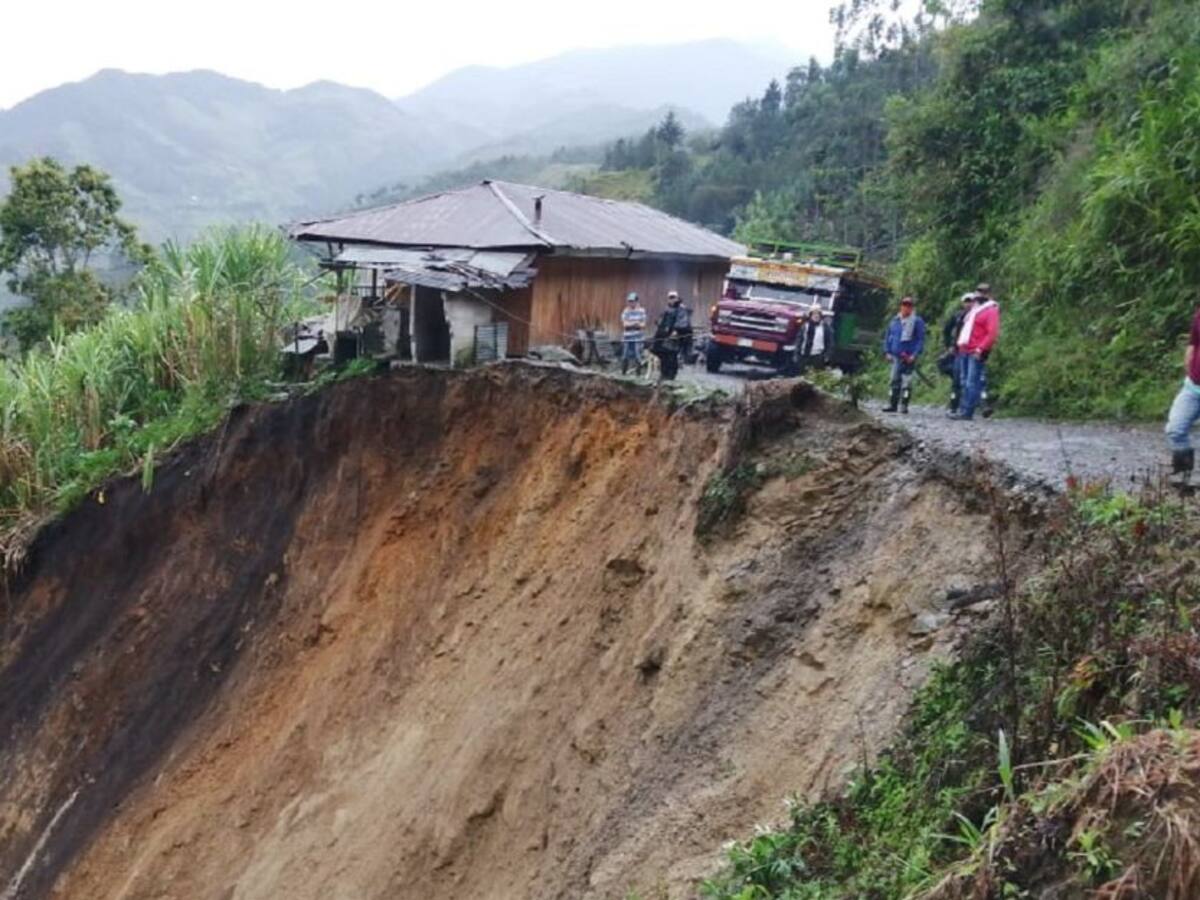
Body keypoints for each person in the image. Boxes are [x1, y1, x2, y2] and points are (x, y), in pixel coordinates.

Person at [950, 283, 1000, 421]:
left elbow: (992, 333)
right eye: (979, 292)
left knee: (972, 381)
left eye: (984, 292)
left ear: (989, 294)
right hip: (964, 349)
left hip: (976, 350)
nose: (981, 295)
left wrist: (981, 349)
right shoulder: (974, 310)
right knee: (965, 381)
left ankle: (967, 412)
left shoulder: (991, 310)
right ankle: (965, 409)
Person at [1163, 305, 1200, 484]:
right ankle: (1183, 476)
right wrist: (1189, 366)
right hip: (1193, 387)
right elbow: (1193, 343)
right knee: (1175, 429)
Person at [881, 296, 926, 413]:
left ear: (912, 308)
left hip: (909, 356)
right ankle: (892, 403)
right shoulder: (895, 320)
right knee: (894, 380)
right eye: (904, 305)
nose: (906, 307)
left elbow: (920, 340)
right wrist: (887, 351)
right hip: (895, 355)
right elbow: (887, 337)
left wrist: (914, 355)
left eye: (909, 305)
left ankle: (904, 405)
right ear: (901, 306)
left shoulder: (917, 321)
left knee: (907, 382)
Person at [941, 293, 976, 413]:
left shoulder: (977, 315)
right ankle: (954, 406)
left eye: (971, 301)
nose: (969, 304)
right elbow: (946, 330)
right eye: (966, 301)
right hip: (958, 351)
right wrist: (949, 345)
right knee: (956, 379)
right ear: (963, 303)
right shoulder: (957, 316)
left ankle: (968, 406)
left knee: (971, 380)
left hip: (973, 350)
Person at [652, 292, 687, 381]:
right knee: (663, 355)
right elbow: (661, 320)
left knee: (671, 355)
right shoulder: (667, 309)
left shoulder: (681, 309)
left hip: (674, 336)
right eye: (670, 297)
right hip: (663, 335)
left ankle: (671, 375)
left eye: (673, 297)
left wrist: (676, 331)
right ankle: (664, 373)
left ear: (677, 298)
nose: (672, 299)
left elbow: (682, 321)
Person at [795, 306, 833, 372]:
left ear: (820, 316)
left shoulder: (825, 328)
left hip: (817, 356)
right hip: (804, 355)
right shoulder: (805, 326)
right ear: (810, 315)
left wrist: (827, 355)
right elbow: (799, 340)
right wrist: (796, 354)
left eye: (818, 314)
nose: (816, 316)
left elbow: (829, 342)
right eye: (814, 314)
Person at [620, 291, 647, 375]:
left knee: (637, 355)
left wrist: (632, 324)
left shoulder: (642, 311)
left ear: (636, 301)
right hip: (627, 337)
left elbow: (643, 325)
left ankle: (638, 374)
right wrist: (635, 324)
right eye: (629, 301)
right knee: (625, 356)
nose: (631, 303)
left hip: (638, 338)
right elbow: (625, 325)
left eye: (632, 301)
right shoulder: (625, 311)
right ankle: (623, 373)